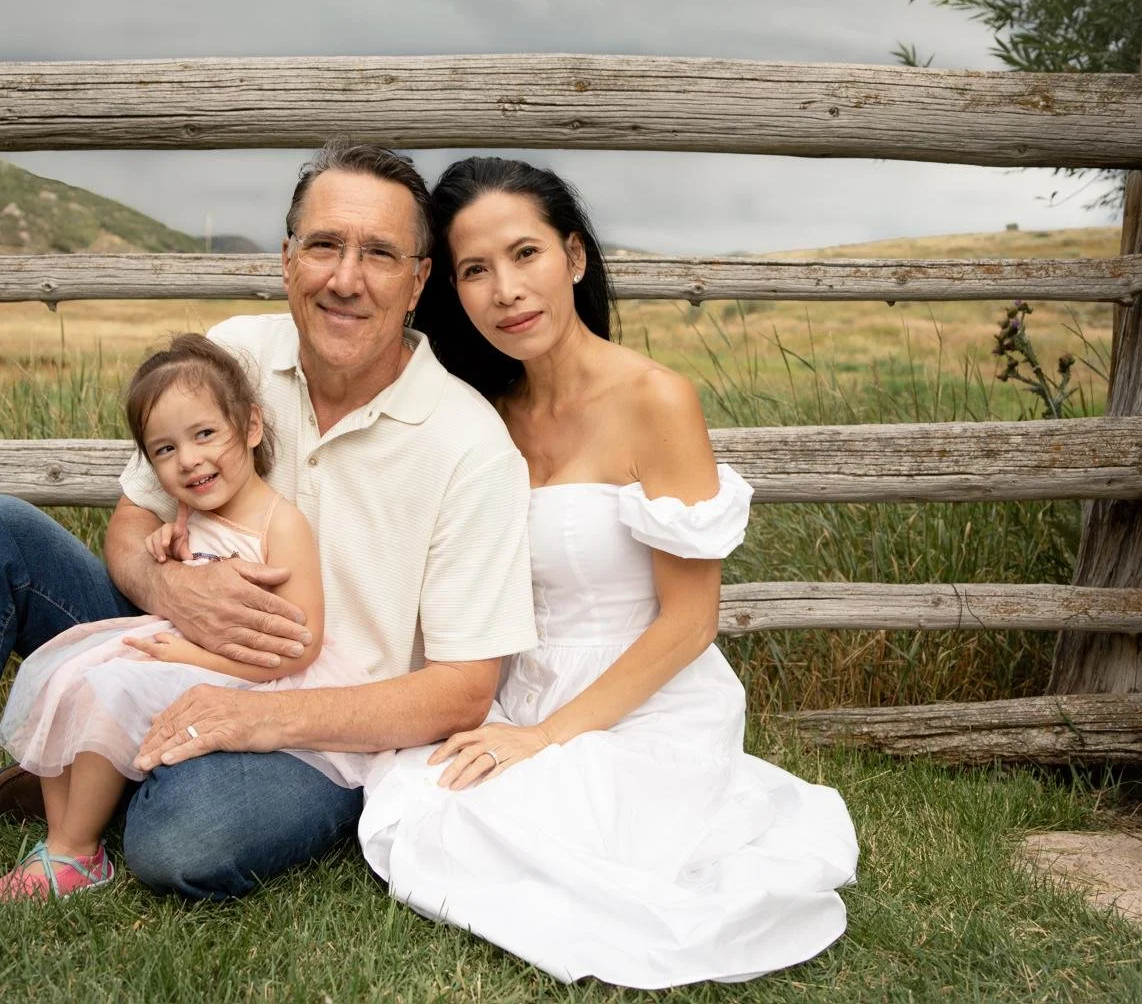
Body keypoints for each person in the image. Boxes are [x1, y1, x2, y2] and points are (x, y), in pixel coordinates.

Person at [0, 143, 537, 945]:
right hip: (167, 649)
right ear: (287, 260)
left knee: (184, 842)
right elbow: (129, 526)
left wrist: (256, 713)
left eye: (379, 254)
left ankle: (102, 767)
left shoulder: (467, 444)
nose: (345, 278)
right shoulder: (235, 353)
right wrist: (170, 593)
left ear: (419, 279)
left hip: (324, 730)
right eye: (323, 245)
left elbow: (462, 692)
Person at [356, 157, 860, 988]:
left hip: (649, 700)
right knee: (427, 798)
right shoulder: (486, 412)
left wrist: (551, 737)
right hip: (523, 685)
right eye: (475, 270)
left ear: (576, 258)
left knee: (530, 832)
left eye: (526, 255)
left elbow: (690, 623)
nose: (506, 290)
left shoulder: (656, 399)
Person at [0, 332, 380, 901]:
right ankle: (63, 841)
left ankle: (77, 850)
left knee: (112, 689)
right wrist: (167, 554)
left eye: (204, 435)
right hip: (184, 649)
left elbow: (300, 646)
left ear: (249, 428)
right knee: (63, 673)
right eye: (165, 450)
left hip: (256, 676)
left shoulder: (280, 524)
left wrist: (189, 653)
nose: (189, 460)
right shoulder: (186, 511)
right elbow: (183, 567)